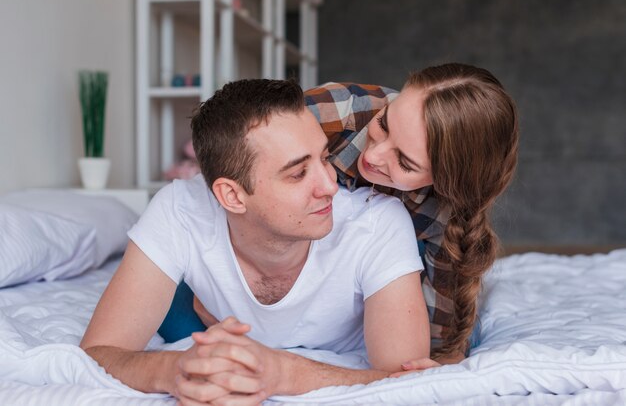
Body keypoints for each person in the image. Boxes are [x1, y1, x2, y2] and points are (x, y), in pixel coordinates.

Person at [80, 78, 431, 404]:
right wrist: (175, 370)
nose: (330, 186)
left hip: (372, 264)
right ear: (231, 196)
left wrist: (284, 372)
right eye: (297, 173)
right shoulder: (179, 207)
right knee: (173, 318)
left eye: (325, 158)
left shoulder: (379, 222)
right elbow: (99, 352)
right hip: (201, 305)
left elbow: (404, 379)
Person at [169, 62, 520, 365]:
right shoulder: (338, 112)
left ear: (443, 182)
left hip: (358, 280)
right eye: (384, 125)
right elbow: (231, 154)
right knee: (175, 322)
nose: (375, 156)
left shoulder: (443, 217)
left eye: (405, 162)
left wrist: (438, 355)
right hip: (261, 249)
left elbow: (431, 346)